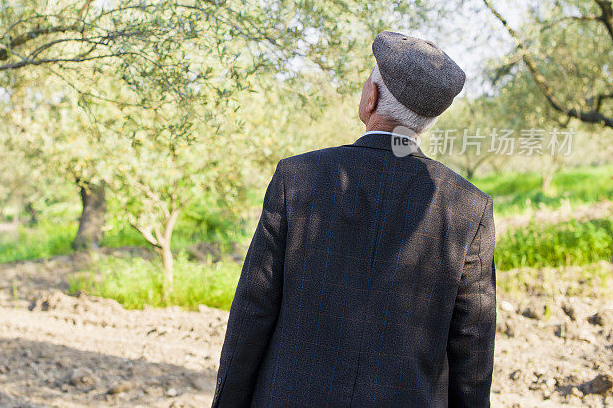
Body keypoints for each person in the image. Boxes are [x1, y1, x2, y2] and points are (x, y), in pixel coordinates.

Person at [212, 31, 496, 407]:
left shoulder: (296, 178)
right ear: (426, 122)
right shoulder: (468, 206)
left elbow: (253, 310)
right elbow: (472, 345)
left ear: (370, 97)